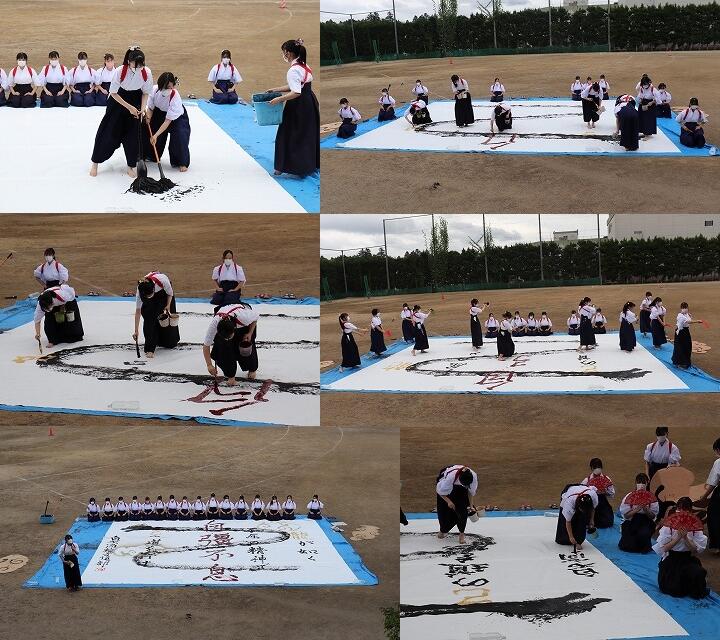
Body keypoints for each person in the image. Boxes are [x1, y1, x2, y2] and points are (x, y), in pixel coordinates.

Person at [90, 47, 153, 177]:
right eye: (135, 65)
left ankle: (131, 166)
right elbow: (113, 93)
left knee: (133, 135)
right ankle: (95, 162)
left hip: (136, 99)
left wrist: (142, 108)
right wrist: (129, 107)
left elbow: (145, 93)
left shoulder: (146, 72)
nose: (138, 68)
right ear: (129, 62)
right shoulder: (120, 71)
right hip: (118, 100)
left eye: (141, 65)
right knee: (108, 132)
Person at [268, 39, 319, 177]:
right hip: (309, 102)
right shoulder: (304, 65)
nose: (283, 55)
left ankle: (281, 167)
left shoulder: (293, 70)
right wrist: (276, 89)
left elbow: (296, 92)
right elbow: (297, 86)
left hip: (297, 105)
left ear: (289, 53)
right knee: (306, 134)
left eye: (284, 52)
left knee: (286, 134)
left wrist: (278, 99)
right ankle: (308, 165)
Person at [653, 497, 708, 599]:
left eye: (685, 509)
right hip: (672, 558)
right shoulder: (669, 525)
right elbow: (664, 549)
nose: (681, 511)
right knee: (674, 588)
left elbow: (695, 551)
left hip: (687, 559)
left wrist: (686, 538)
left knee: (699, 572)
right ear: (676, 509)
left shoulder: (695, 527)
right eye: (679, 508)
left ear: (690, 511)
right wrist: (677, 538)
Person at [145, 72, 191, 171]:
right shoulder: (154, 90)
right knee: (149, 129)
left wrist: (155, 135)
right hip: (158, 112)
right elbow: (150, 109)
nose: (167, 89)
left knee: (180, 135)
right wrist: (148, 118)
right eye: (165, 87)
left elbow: (167, 122)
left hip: (176, 117)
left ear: (174, 85)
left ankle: (181, 162)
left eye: (170, 87)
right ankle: (151, 155)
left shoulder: (175, 96)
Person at [204, 302, 260, 383]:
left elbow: (256, 317)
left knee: (245, 345)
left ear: (234, 330)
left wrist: (250, 333)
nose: (227, 339)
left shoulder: (245, 317)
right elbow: (206, 345)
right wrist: (209, 365)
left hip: (242, 321)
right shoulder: (215, 323)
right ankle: (230, 375)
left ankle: (252, 369)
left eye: (229, 337)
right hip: (227, 319)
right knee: (224, 349)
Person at [134, 272, 179, 358]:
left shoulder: (163, 281)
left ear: (154, 288)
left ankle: (168, 342)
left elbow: (170, 294)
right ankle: (150, 348)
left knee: (166, 320)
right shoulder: (141, 289)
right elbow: (138, 311)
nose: (149, 297)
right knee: (149, 319)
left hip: (164, 295)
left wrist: (168, 305)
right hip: (149, 300)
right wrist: (136, 330)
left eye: (150, 295)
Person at [436, 465, 479, 545]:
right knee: (444, 512)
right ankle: (443, 530)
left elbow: (470, 492)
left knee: (463, 510)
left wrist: (471, 505)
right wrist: (449, 501)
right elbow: (440, 492)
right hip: (447, 486)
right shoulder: (450, 478)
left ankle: (462, 534)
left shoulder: (473, 477)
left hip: (460, 488)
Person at [618, 473, 659, 553]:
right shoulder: (629, 496)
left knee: (643, 534)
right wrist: (636, 510)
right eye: (639, 482)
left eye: (643, 482)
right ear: (636, 483)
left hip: (646, 521)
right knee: (628, 543)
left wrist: (646, 509)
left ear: (647, 483)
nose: (641, 485)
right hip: (632, 520)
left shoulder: (651, 498)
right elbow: (626, 516)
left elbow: (653, 516)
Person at [555, 484, 598, 549]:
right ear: (579, 507)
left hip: (582, 488)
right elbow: (568, 521)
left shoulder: (593, 496)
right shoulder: (569, 503)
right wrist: (571, 537)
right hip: (569, 492)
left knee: (581, 520)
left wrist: (591, 520)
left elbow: (593, 508)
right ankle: (566, 539)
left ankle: (578, 540)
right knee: (565, 524)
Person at [699, 438, 720, 555]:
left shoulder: (718, 462)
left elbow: (713, 483)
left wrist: (704, 497)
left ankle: (718, 546)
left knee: (714, 515)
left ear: (718, 450)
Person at [581, 459, 615, 529]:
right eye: (595, 467)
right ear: (591, 468)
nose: (597, 469)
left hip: (602, 504)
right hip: (590, 504)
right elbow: (581, 494)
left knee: (608, 522)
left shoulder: (606, 478)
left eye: (598, 467)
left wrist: (605, 492)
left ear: (601, 467)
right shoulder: (586, 480)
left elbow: (612, 493)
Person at [672, 302, 703, 369]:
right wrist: (697, 321)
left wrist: (690, 316)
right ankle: (680, 362)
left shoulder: (687, 314)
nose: (685, 309)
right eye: (684, 308)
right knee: (680, 347)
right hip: (680, 332)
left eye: (686, 308)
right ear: (681, 308)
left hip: (686, 331)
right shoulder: (680, 316)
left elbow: (689, 320)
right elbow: (688, 322)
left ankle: (685, 362)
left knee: (688, 346)